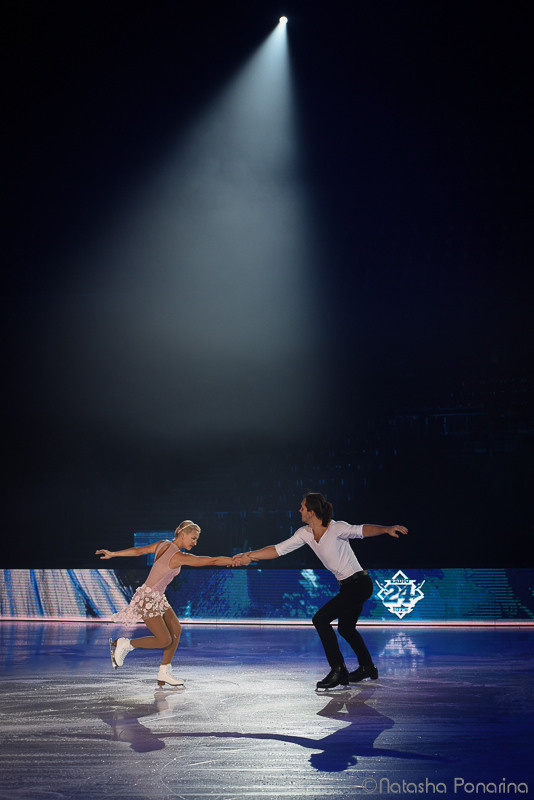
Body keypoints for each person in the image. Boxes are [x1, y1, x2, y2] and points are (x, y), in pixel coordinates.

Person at [233, 493, 408, 690]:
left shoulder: (336, 528)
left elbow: (362, 530)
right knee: (345, 628)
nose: (299, 510)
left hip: (359, 584)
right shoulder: (304, 533)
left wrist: (386, 529)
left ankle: (338, 669)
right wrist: (248, 555)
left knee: (320, 619)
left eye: (302, 507)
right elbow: (277, 549)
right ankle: (367, 666)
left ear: (311, 511)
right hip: (349, 587)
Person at [96, 520, 235, 687]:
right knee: (164, 640)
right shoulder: (178, 556)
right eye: (193, 538)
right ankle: (125, 644)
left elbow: (139, 551)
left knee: (176, 629)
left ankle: (164, 671)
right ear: (182, 535)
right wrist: (233, 560)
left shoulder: (163, 544)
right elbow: (210, 561)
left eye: (197, 539)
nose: (195, 543)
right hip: (148, 600)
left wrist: (113, 554)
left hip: (157, 598)